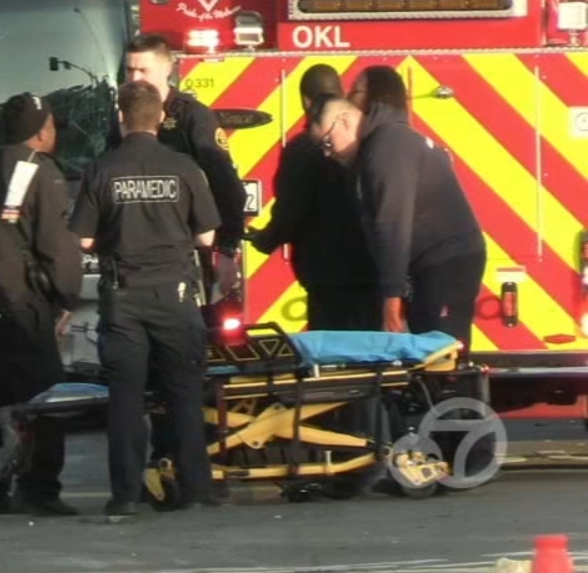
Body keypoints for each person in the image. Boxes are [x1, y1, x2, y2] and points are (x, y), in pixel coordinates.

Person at [71, 80, 222, 519]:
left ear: (121, 118)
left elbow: (82, 239)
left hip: (124, 298)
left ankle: (125, 494)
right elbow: (207, 236)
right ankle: (196, 489)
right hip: (175, 294)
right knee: (184, 394)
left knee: (126, 399)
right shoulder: (184, 167)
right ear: (160, 118)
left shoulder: (101, 168)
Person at [0, 93, 84, 516]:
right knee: (46, 397)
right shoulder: (41, 171)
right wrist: (67, 296)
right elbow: (55, 244)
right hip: (17, 300)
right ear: (41, 131)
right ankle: (38, 488)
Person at [311, 92, 487, 348]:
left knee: (440, 349)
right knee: (428, 347)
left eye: (327, 142)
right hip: (436, 261)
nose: (328, 153)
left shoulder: (385, 148)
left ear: (344, 120)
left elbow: (392, 222)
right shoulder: (385, 142)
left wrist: (392, 296)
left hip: (445, 262)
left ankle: (450, 374)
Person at [248, 64, 378, 330]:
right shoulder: (367, 142)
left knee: (332, 347)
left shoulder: (303, 148)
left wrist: (265, 239)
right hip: (371, 268)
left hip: (328, 275)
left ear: (306, 100)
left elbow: (290, 209)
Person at [119, 34, 246, 303]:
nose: (134, 79)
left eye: (143, 70)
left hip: (187, 253)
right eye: (129, 70)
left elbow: (227, 187)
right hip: (135, 256)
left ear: (167, 68)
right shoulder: (122, 117)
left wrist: (226, 250)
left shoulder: (192, 117)